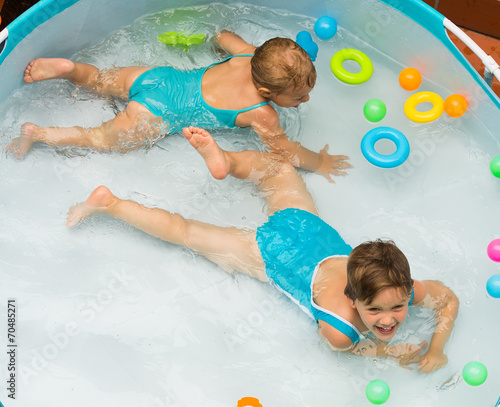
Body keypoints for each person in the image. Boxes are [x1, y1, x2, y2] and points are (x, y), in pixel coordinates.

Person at [66, 126, 459, 373]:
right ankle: (111, 203)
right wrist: (392, 354)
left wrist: (437, 347)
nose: (389, 320)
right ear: (352, 300)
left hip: (310, 229)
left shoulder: (406, 288)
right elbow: (359, 351)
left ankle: (229, 162)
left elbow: (448, 300)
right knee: (184, 231)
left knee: (278, 171)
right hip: (273, 254)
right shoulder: (340, 332)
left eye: (397, 305)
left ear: (408, 289)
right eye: (374, 310)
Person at [7, 31, 348, 182]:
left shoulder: (247, 54)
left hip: (158, 79)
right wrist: (320, 163)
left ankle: (69, 70)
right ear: (265, 92)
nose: (305, 101)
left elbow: (222, 35)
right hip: (155, 117)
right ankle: (39, 133)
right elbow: (284, 149)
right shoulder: (263, 113)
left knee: (99, 79)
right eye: (298, 97)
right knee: (97, 138)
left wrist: (216, 47)